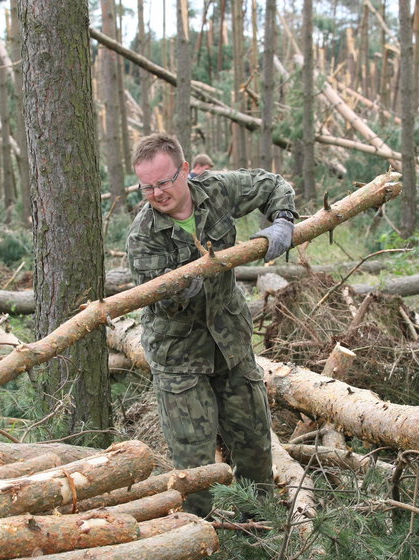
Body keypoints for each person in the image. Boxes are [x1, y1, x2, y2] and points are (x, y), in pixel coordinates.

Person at [126, 133, 297, 517]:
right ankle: (197, 535)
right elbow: (163, 301)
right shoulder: (143, 236)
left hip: (231, 343)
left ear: (185, 171)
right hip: (179, 357)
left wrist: (282, 222)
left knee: (254, 445)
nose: (156, 193)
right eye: (147, 186)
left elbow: (273, 185)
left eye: (164, 182)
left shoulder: (217, 190)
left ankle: (259, 533)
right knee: (195, 465)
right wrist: (193, 279)